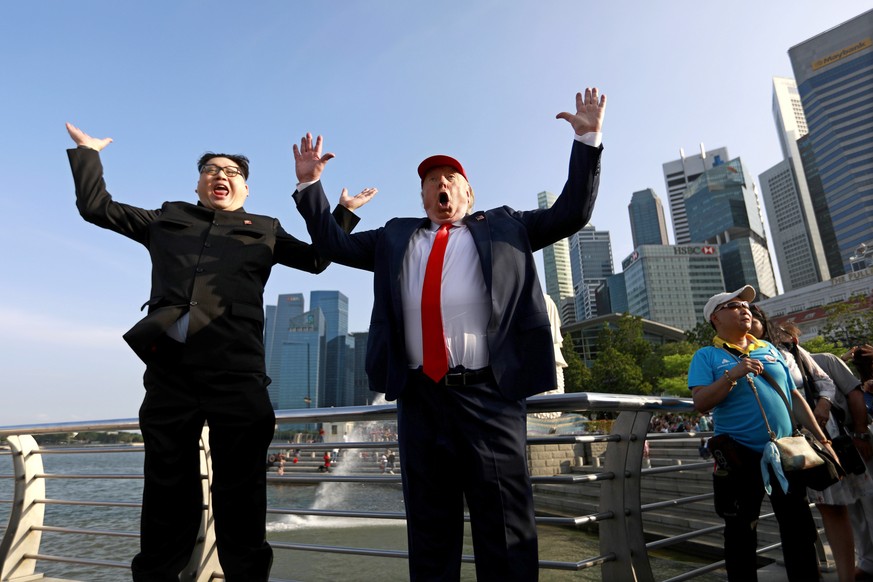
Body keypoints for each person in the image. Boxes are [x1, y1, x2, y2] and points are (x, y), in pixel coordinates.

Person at [292, 86, 606, 581]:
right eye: (431, 181)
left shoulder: (506, 227)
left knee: (504, 528)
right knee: (431, 529)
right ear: (421, 196)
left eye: (450, 179)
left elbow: (572, 212)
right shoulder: (396, 236)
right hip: (419, 398)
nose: (441, 186)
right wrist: (312, 187)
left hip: (489, 396)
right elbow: (332, 243)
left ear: (467, 193)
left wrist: (588, 141)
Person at [65, 123, 369, 582]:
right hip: (171, 374)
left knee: (242, 493)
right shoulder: (167, 219)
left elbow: (316, 259)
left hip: (238, 375)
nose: (220, 176)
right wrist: (88, 153)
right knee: (167, 489)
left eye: (230, 172)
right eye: (210, 170)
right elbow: (96, 208)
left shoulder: (264, 229)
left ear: (245, 188)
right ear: (198, 183)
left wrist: (340, 211)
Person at [688, 285, 835, 581]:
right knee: (741, 534)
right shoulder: (706, 356)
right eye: (733, 306)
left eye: (746, 305)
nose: (744, 309)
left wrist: (822, 439)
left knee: (799, 529)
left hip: (785, 453)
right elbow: (701, 403)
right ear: (715, 318)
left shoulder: (768, 349)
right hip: (739, 457)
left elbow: (794, 397)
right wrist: (733, 374)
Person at [750, 308, 871, 582]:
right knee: (794, 516)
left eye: (752, 317)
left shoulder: (788, 350)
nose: (746, 322)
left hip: (812, 436)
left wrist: (824, 406)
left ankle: (846, 576)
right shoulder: (734, 355)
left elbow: (823, 382)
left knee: (833, 506)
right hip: (775, 443)